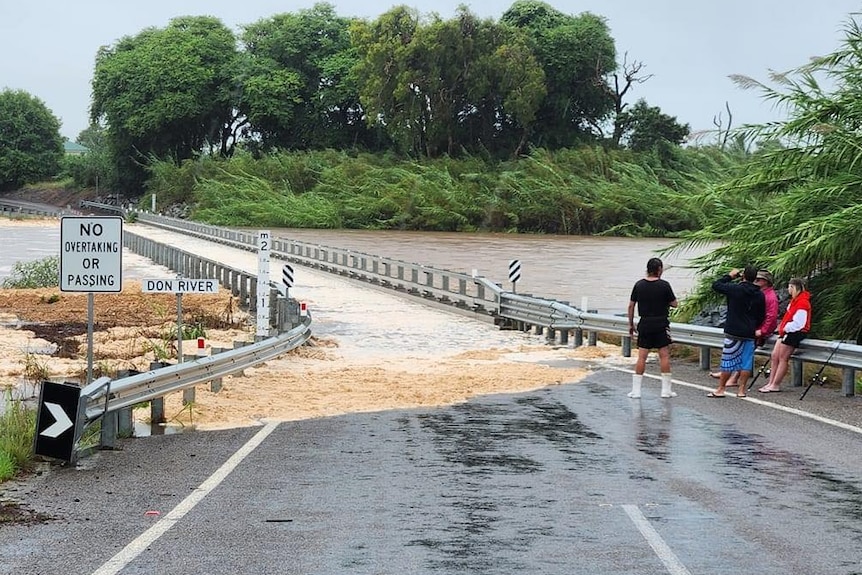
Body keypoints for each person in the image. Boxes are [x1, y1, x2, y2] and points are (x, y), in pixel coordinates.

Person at [709, 269, 779, 384]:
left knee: (742, 356)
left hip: (757, 330)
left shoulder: (769, 296)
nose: (756, 281)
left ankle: (732, 378)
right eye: (755, 279)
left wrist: (762, 330)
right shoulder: (759, 293)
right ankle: (728, 374)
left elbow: (771, 316)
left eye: (759, 280)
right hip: (751, 329)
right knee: (739, 354)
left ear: (766, 282)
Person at [627, 257, 679, 398]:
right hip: (661, 323)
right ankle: (666, 390)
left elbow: (631, 305)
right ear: (659, 269)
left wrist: (631, 324)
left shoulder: (639, 285)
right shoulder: (664, 285)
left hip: (645, 323)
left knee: (642, 357)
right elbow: (675, 304)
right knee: (664, 356)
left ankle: (636, 391)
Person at [758, 277, 811, 393]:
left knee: (783, 358)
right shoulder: (794, 301)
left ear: (793, 287)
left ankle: (775, 384)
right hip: (785, 331)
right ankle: (771, 382)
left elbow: (799, 323)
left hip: (793, 333)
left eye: (789, 287)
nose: (788, 289)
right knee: (775, 356)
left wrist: (785, 328)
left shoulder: (802, 303)